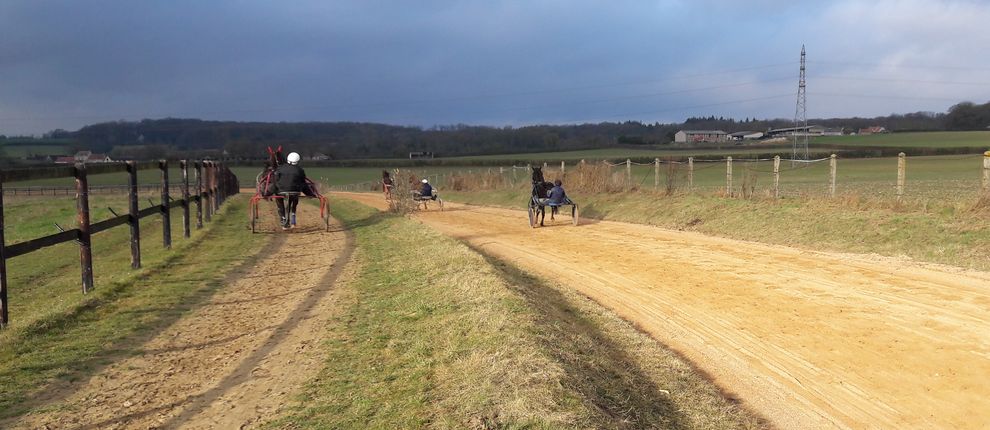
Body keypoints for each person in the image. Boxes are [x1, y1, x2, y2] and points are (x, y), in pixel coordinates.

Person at [275, 152, 307, 229]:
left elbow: (276, 179)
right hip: (295, 191)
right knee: (295, 198)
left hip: (281, 191)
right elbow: (303, 181)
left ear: (288, 159)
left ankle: (283, 218)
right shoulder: (300, 170)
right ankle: (293, 217)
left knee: (278, 197)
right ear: (298, 160)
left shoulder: (280, 168)